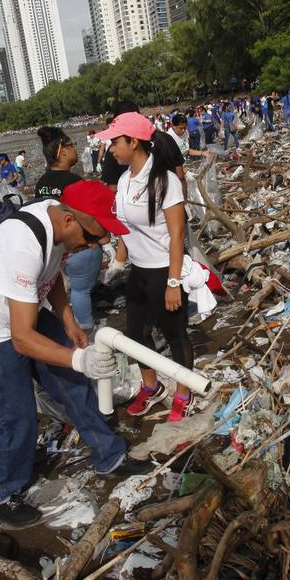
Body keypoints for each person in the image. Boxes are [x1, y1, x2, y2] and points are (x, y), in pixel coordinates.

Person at [0, 180, 149, 527]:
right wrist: (78, 357)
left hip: (22, 310)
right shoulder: (22, 244)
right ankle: (2, 494)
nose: (96, 246)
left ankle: (109, 456)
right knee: (17, 414)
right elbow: (22, 339)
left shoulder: (56, 223)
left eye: (103, 241)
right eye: (92, 238)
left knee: (73, 382)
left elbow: (51, 272)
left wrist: (68, 319)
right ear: (70, 220)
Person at [101, 113, 197, 423]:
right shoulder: (126, 180)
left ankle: (185, 392)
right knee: (135, 334)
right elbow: (125, 228)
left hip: (163, 270)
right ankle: (151, 387)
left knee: (174, 334)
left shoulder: (164, 179)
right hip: (139, 272)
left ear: (133, 142)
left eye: (115, 141)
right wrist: (118, 262)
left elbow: (177, 233)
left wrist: (172, 282)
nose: (110, 148)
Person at [35, 126, 102, 334]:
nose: (75, 149)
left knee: (75, 287)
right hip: (78, 243)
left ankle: (76, 324)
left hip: (56, 245)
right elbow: (89, 218)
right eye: (72, 145)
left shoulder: (42, 182)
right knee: (81, 290)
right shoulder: (74, 181)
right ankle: (86, 330)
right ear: (62, 151)